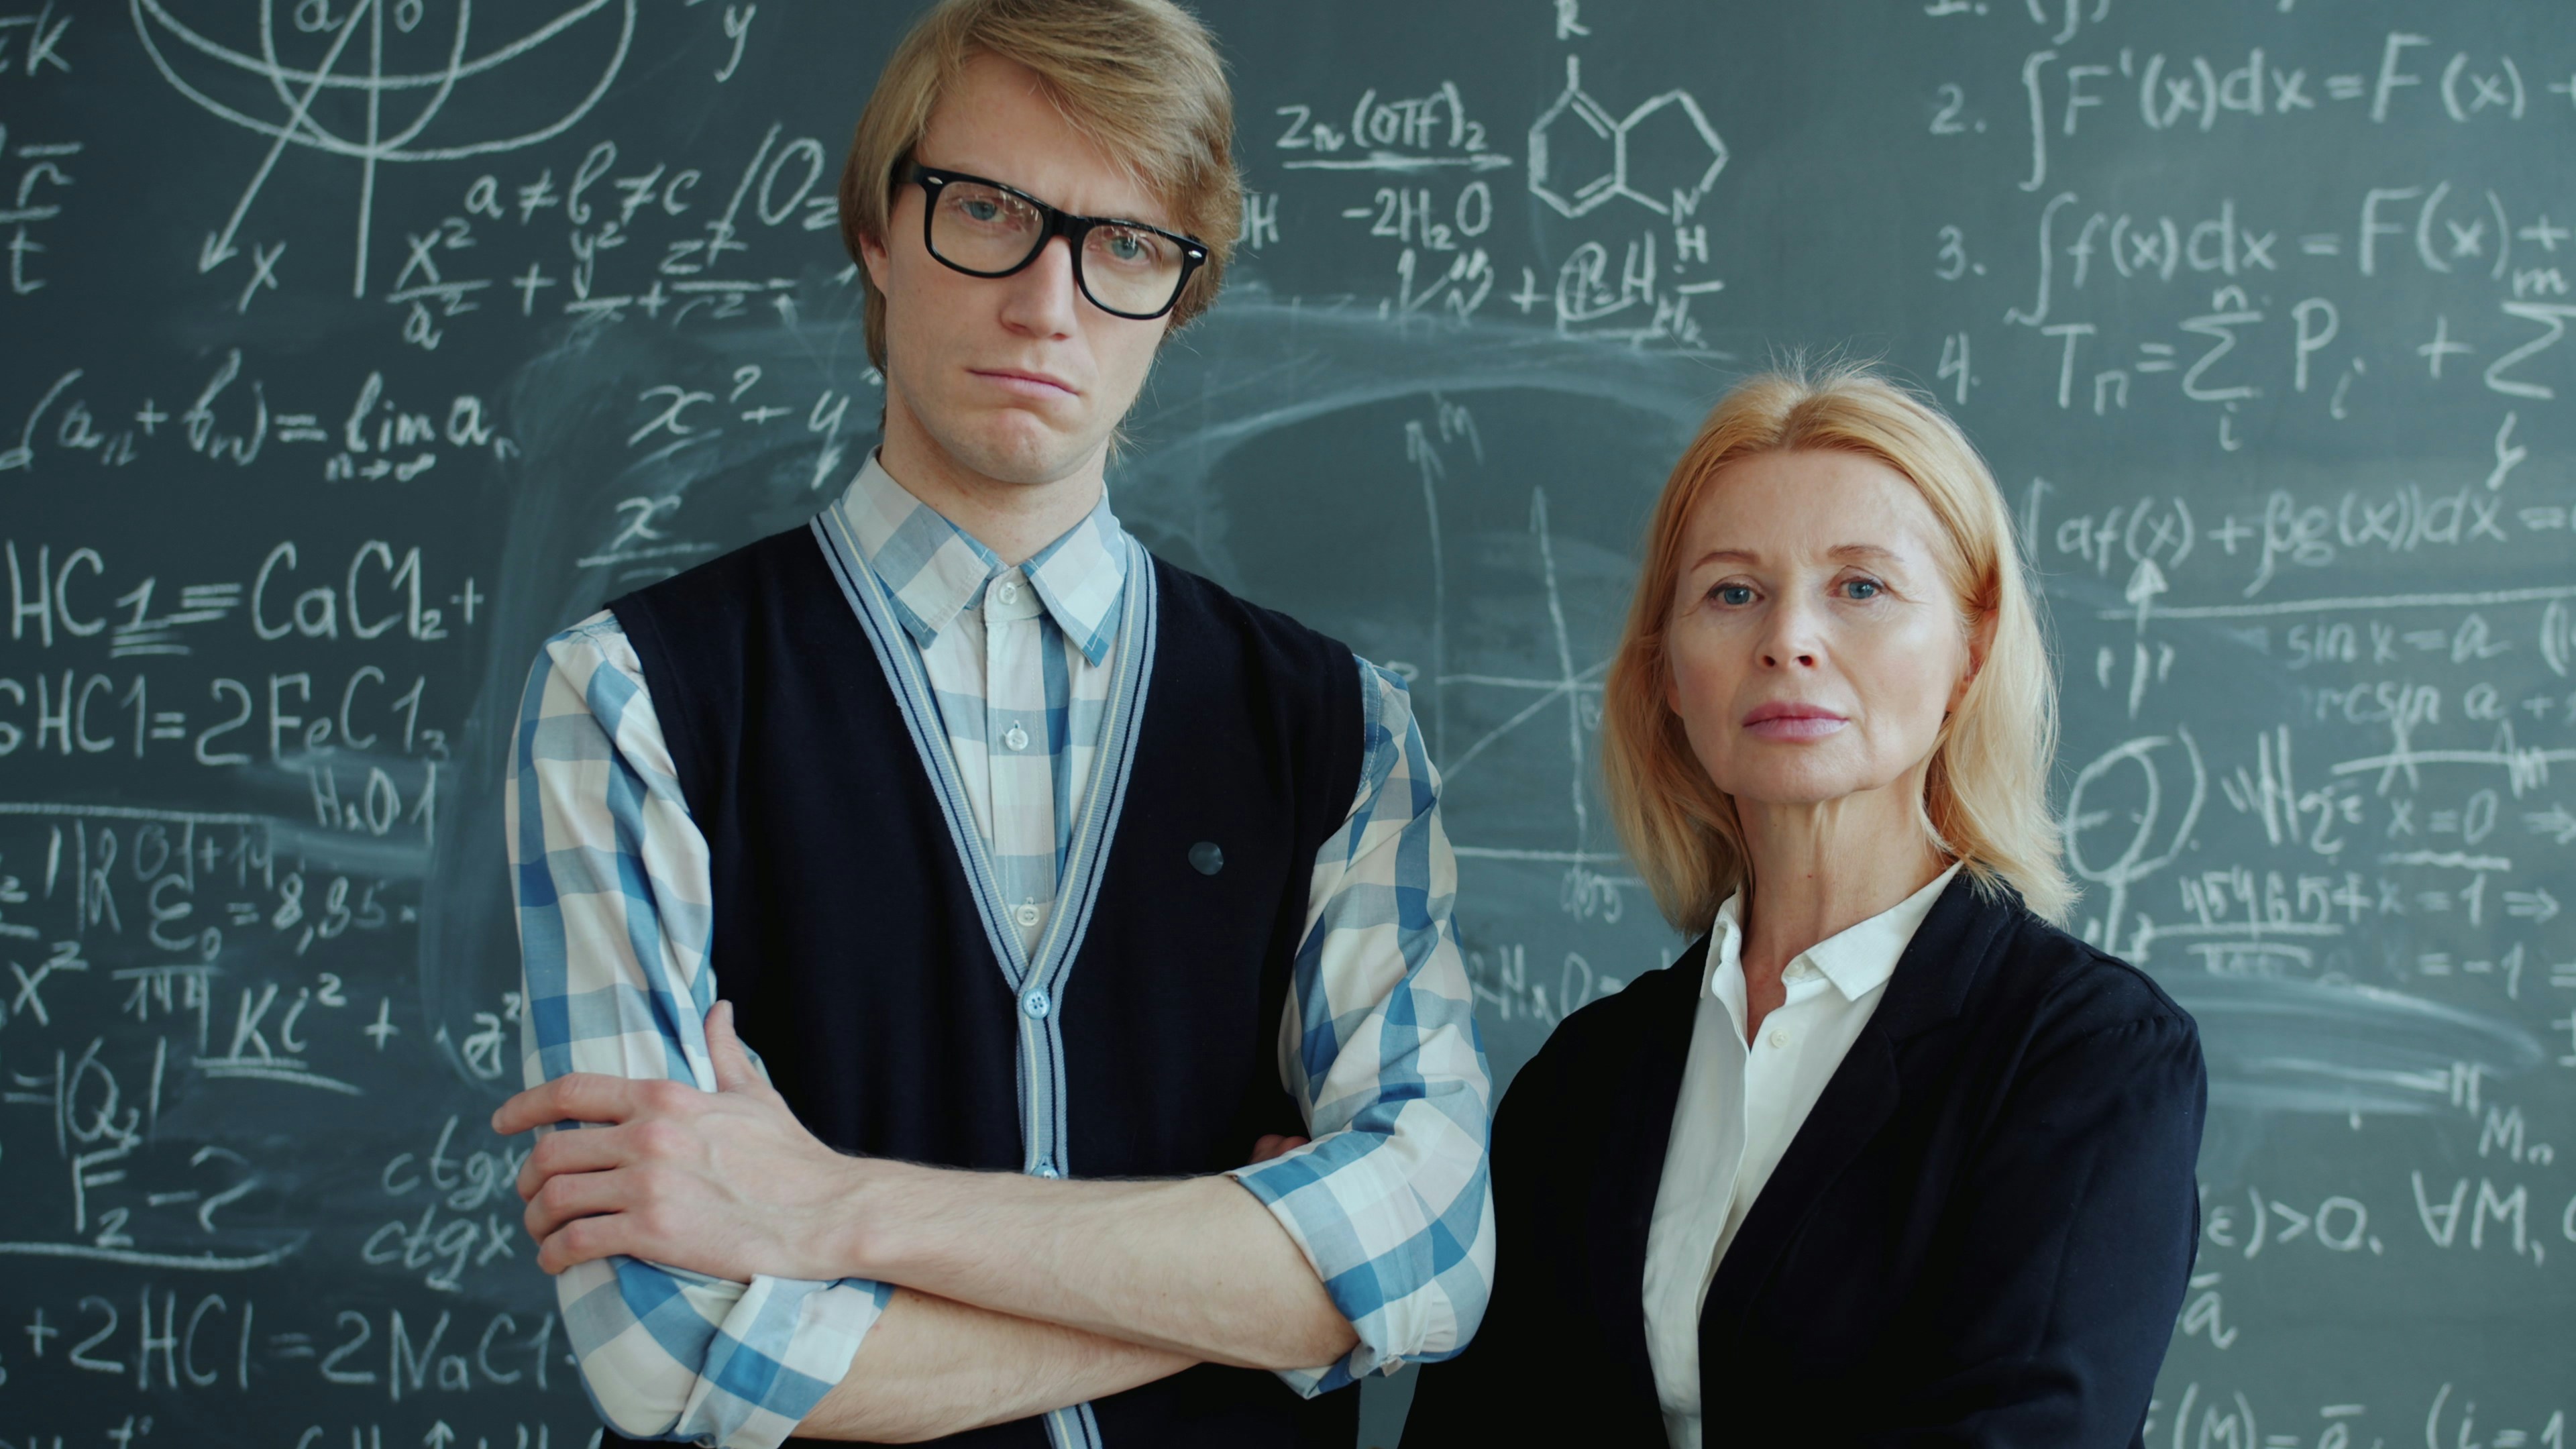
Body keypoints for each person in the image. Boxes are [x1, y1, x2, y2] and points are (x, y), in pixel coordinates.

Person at [492, 3, 1493, 1445]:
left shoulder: (1338, 732)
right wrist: (1257, 1289)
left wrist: (834, 1209)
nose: (1049, 301)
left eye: (1127, 246)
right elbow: (677, 1351)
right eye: (987, 211)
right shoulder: (635, 698)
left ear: (1180, 296)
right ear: (878, 233)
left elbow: (1440, 1249)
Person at [1405, 364, 2205, 1448]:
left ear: (1969, 654)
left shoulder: (2088, 1058)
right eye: (1733, 592)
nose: (1788, 639)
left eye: (1861, 588)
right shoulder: (1581, 1086)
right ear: (1671, 676)